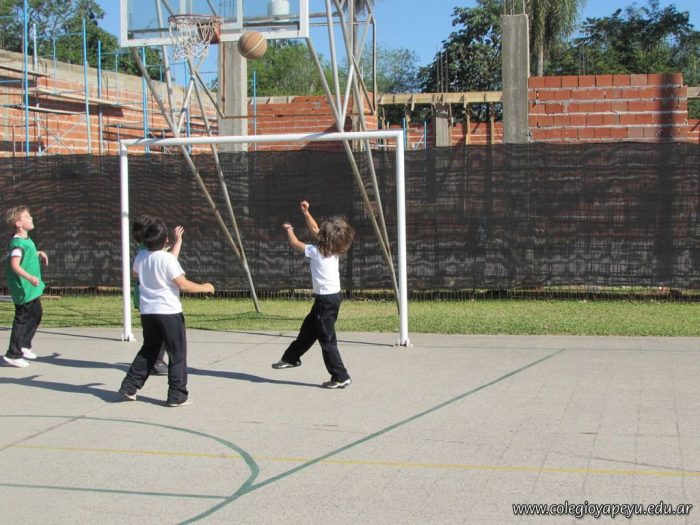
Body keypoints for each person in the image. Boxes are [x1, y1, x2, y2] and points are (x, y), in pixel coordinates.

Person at [119, 217, 214, 406]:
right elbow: (182, 284)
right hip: (169, 313)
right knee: (177, 353)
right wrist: (204, 287)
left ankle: (129, 386)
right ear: (165, 240)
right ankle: (177, 395)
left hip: (148, 313)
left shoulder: (141, 257)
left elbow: (138, 272)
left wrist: (176, 245)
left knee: (149, 349)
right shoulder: (167, 259)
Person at [272, 200, 355, 389]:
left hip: (326, 301)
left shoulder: (317, 251)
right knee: (308, 329)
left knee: (327, 340)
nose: (319, 233)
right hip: (329, 299)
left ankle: (340, 376)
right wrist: (306, 213)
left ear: (326, 238)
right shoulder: (333, 248)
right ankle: (291, 358)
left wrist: (289, 228)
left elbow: (294, 242)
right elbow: (315, 229)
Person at [132, 215, 184, 376]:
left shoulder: (143, 253)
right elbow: (171, 262)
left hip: (147, 301)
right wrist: (178, 242)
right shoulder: (151, 253)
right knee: (164, 341)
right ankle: (157, 362)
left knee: (152, 338)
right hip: (159, 303)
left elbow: (135, 273)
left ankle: (148, 368)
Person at [4, 206, 48, 368]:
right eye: (27, 217)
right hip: (24, 289)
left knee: (36, 314)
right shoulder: (18, 244)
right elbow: (15, 265)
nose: (31, 218)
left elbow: (26, 256)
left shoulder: (25, 241)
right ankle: (13, 354)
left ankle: (23, 346)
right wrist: (29, 277)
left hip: (31, 289)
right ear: (19, 223)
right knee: (22, 319)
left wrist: (38, 253)